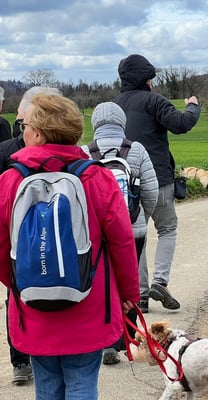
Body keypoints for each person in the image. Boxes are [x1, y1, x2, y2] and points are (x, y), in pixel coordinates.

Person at [0, 93, 139, 399]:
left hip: (33, 304)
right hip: (88, 302)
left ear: (38, 133)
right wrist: (129, 293)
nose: (23, 131)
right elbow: (122, 241)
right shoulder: (97, 178)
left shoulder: (9, 182)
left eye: (25, 125)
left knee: (47, 385)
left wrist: (20, 281)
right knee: (82, 383)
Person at [113, 54, 201, 312]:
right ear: (146, 79)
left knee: (136, 235)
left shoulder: (114, 105)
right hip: (159, 177)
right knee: (167, 229)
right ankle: (160, 282)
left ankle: (140, 294)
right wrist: (193, 106)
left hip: (127, 183)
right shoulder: (154, 101)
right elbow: (182, 124)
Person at [82, 102, 159, 364]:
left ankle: (105, 344)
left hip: (95, 235)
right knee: (129, 284)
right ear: (122, 122)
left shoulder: (85, 152)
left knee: (102, 285)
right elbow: (151, 191)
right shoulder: (136, 149)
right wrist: (142, 219)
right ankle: (128, 340)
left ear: (95, 124)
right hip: (132, 230)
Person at [0, 86, 62, 386]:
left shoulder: (5, 151)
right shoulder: (72, 156)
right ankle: (33, 358)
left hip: (20, 243)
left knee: (20, 299)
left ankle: (24, 360)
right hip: (53, 241)